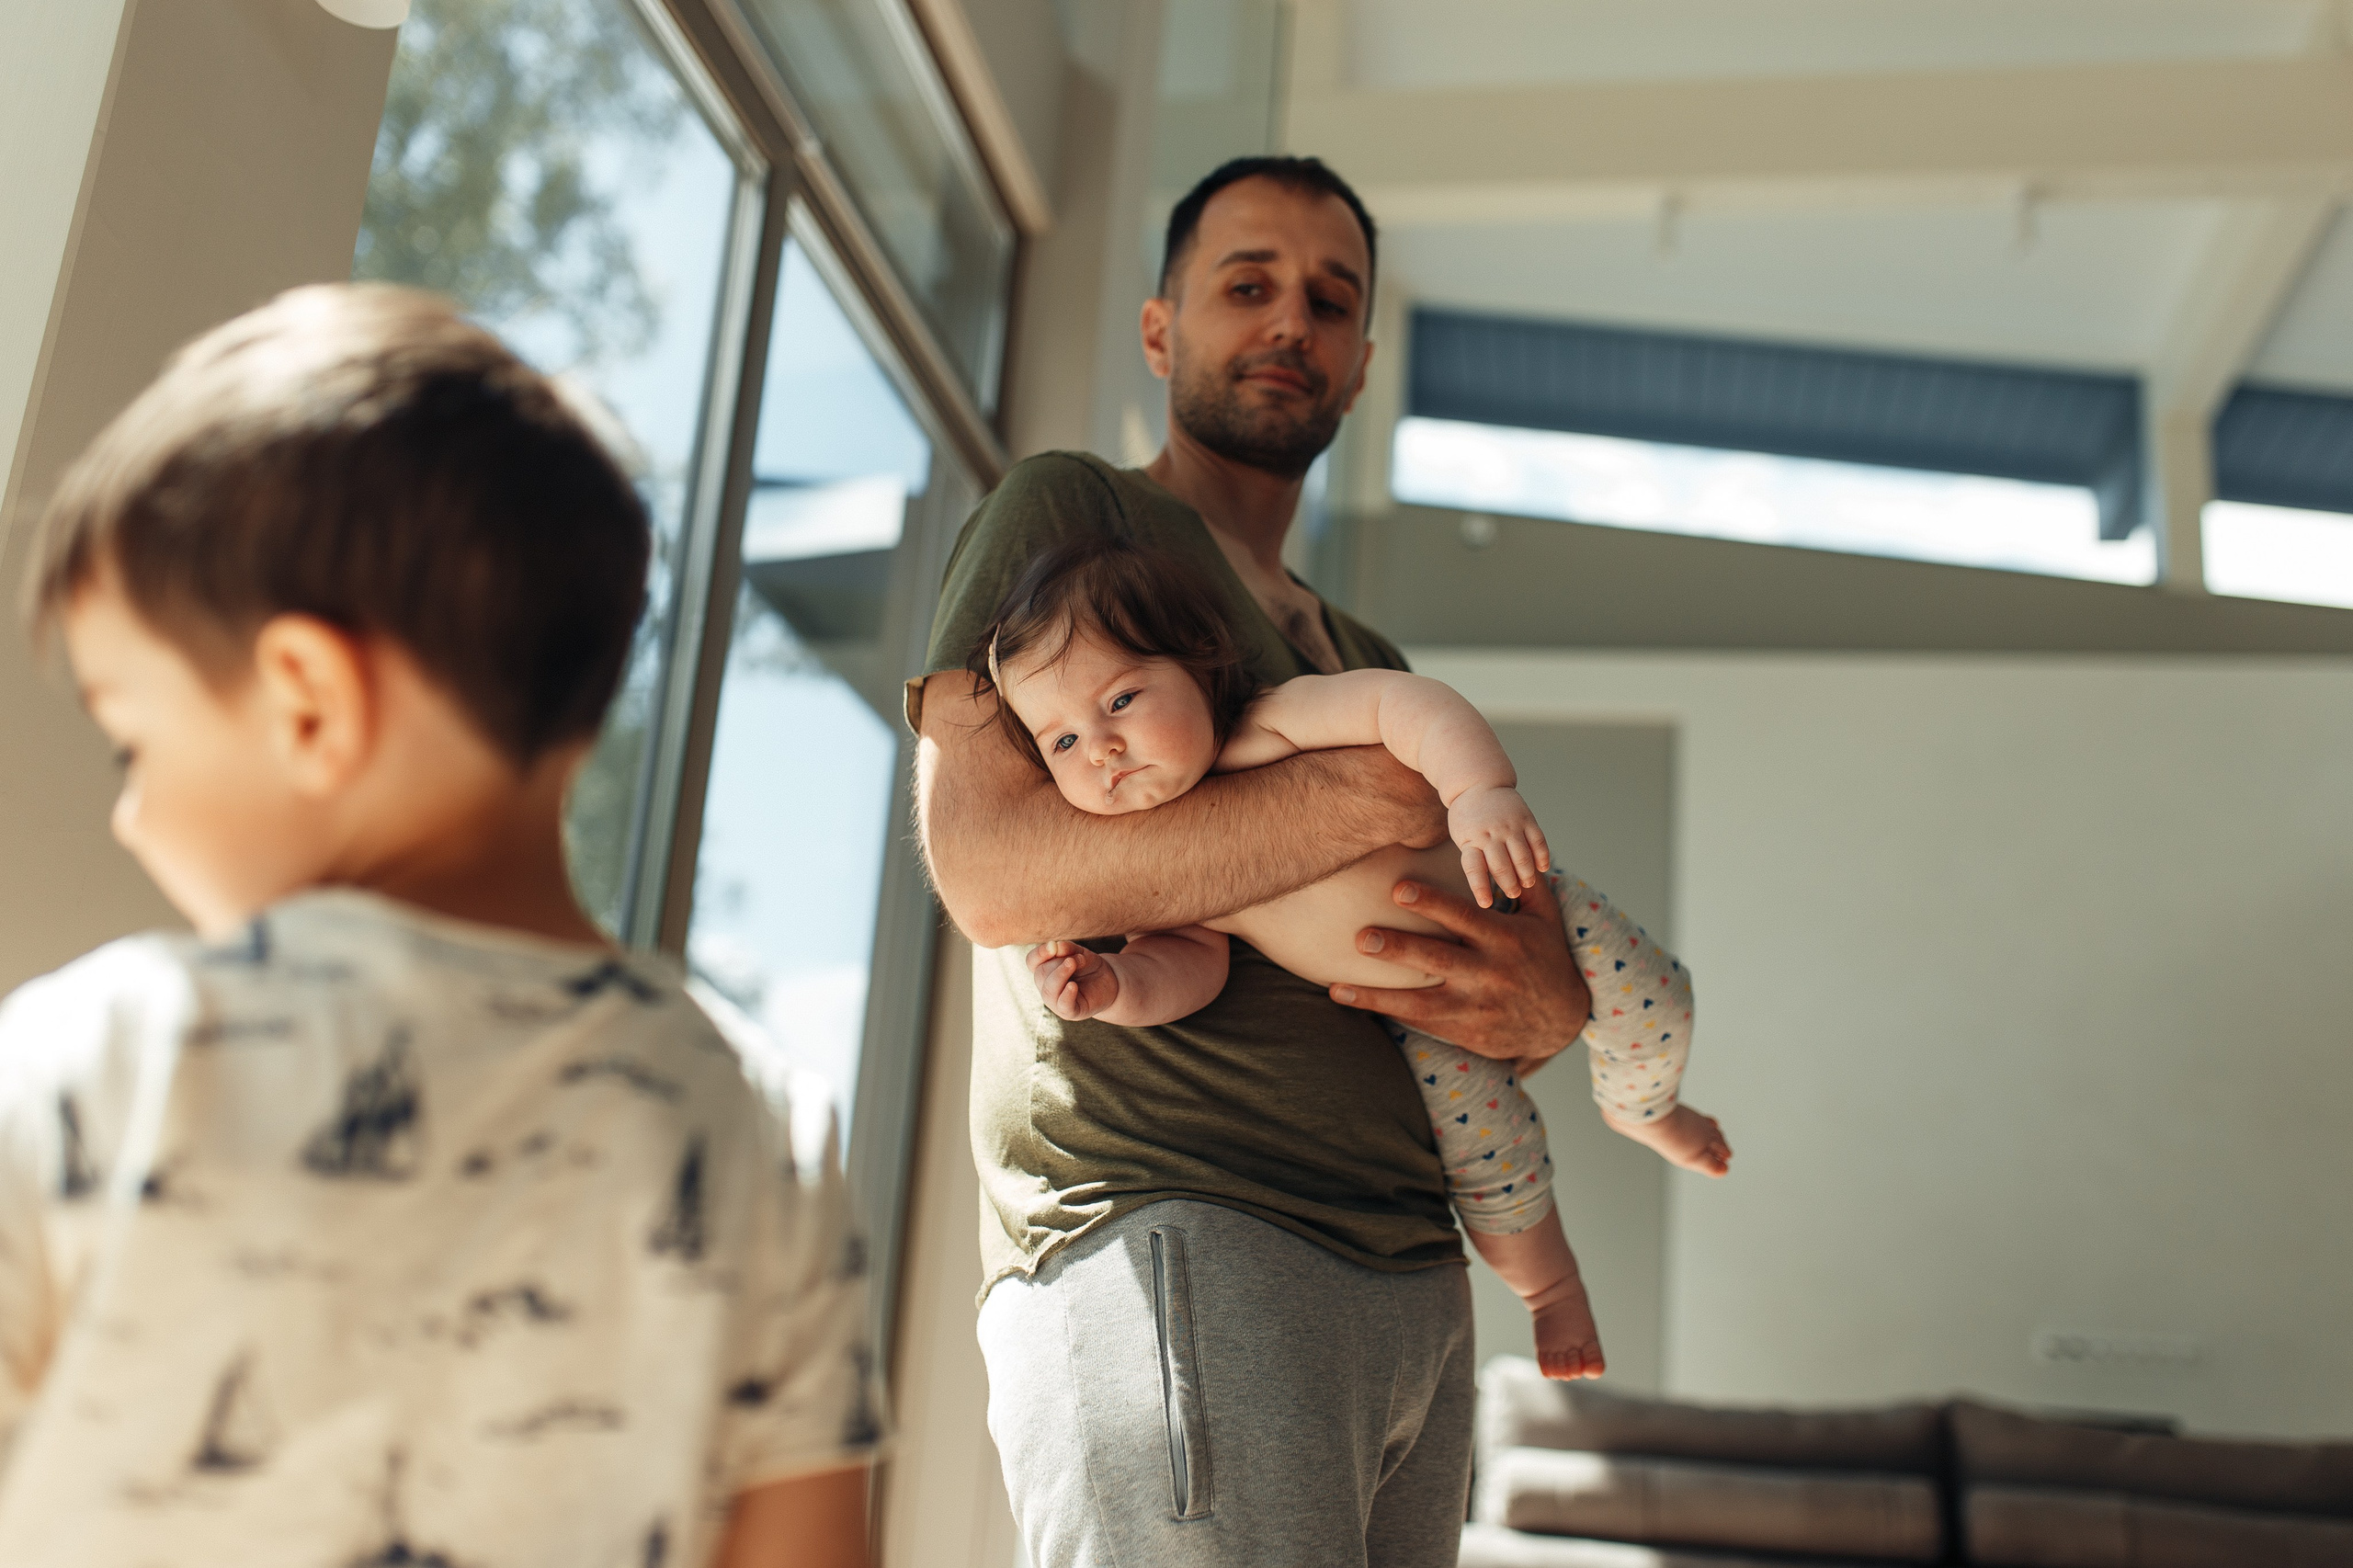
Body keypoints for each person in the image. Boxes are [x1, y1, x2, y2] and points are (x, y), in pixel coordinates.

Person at [0, 284, 879, 1568]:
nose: (132, 813)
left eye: (133, 737)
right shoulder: (764, 1135)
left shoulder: (108, 1051)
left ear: (307, 702)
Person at [911, 153, 1647, 1565]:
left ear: (1361, 367)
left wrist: (1549, 1000)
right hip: (1184, 1227)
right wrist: (1362, 798)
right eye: (1246, 285)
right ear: (1159, 332)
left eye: (1328, 298)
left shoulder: (1371, 661)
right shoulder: (1072, 517)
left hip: (1417, 1273)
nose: (1289, 321)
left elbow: (1531, 989)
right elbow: (997, 868)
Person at [968, 533, 1731, 1382]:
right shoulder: (1169, 872)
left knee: (1656, 1002)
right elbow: (1190, 967)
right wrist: (1113, 987)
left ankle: (1647, 1108)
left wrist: (1480, 791)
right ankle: (1552, 1293)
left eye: (1121, 700)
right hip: (1421, 1028)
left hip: (1511, 897)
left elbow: (1408, 706)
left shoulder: (1270, 722)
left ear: (1198, 663)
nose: (1100, 747)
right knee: (1492, 1172)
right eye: (1062, 743)